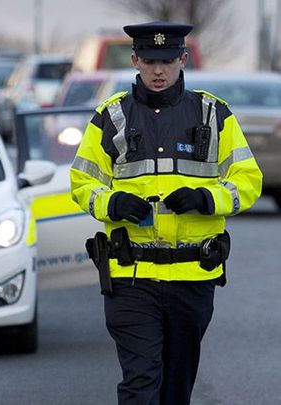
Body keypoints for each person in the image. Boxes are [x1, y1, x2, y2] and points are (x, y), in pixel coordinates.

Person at [70, 21, 262, 404]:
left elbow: (248, 181)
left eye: (169, 61)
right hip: (131, 278)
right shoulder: (111, 117)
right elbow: (81, 182)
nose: (159, 71)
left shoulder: (213, 115)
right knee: (141, 384)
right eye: (151, 61)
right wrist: (111, 202)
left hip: (193, 277)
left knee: (176, 387)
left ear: (183, 60)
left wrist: (207, 198)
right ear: (135, 60)